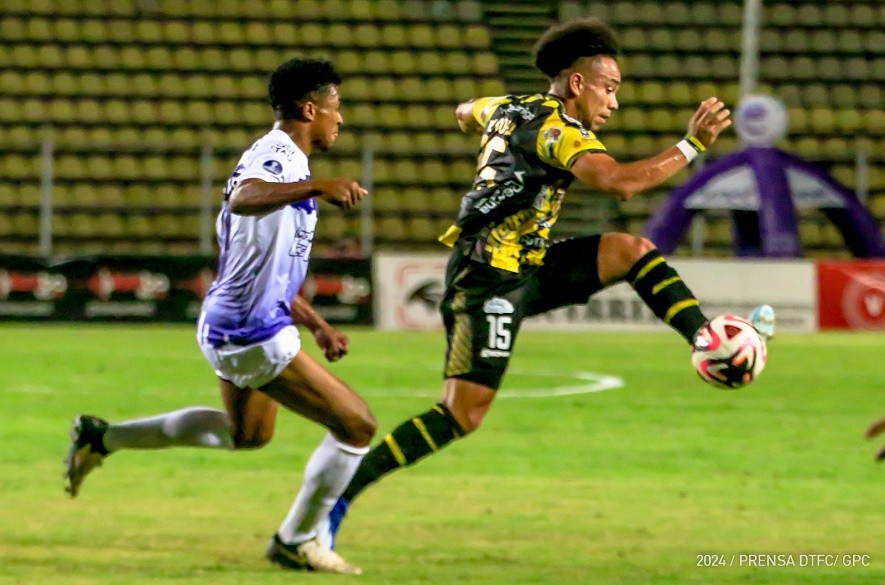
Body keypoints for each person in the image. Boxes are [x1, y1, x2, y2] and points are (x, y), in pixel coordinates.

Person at [320, 18, 775, 551]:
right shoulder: (558, 130)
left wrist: (481, 124)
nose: (614, 103)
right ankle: (338, 499)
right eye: (609, 88)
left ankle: (705, 336)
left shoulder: (508, 106)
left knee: (630, 251)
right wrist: (692, 143)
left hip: (529, 264)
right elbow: (619, 183)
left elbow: (465, 111)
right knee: (462, 414)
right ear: (578, 83)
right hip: (487, 279)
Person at [63, 57, 377, 575]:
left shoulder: (285, 161)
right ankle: (296, 539)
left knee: (248, 435)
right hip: (251, 331)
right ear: (309, 109)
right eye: (335, 106)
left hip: (235, 321)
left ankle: (103, 437)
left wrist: (317, 323)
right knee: (356, 426)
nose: (340, 118)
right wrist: (318, 187)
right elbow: (246, 197)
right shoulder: (277, 156)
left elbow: (262, 264)